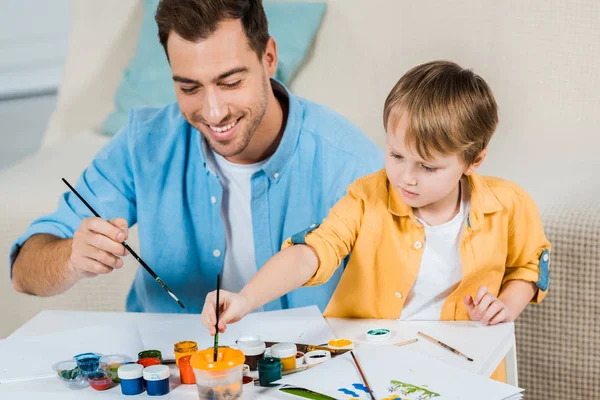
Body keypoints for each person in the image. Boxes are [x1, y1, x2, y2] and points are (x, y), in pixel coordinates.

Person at [9, 0, 382, 313]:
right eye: (190, 88)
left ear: (269, 58)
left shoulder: (351, 163)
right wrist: (73, 257)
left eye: (231, 82)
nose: (214, 111)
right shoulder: (145, 144)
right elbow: (24, 271)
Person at [200, 60, 551, 380]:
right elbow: (312, 252)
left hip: (464, 365)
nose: (406, 178)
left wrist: (505, 305)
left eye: (427, 167)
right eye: (396, 155)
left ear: (474, 161)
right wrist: (246, 299)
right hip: (369, 362)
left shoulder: (510, 203)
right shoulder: (367, 196)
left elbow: (527, 269)